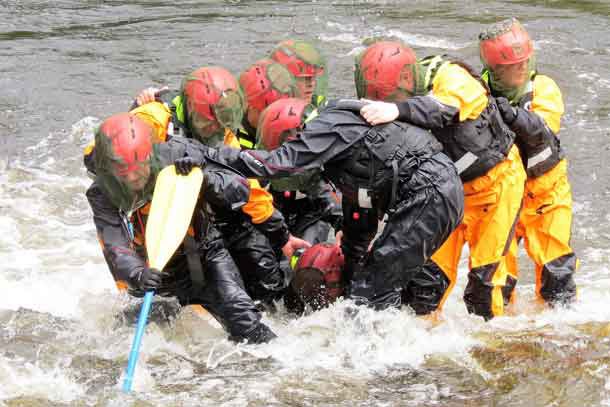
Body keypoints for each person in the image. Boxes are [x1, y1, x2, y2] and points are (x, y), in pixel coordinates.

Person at [174, 99, 465, 311]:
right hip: (436, 194)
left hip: (428, 194)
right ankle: (421, 336)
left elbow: (274, 165)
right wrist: (348, 267)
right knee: (388, 284)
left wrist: (206, 157)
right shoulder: (348, 153)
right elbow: (359, 217)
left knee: (370, 295)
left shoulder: (327, 127)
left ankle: (378, 371)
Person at [355, 41, 526, 319]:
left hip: (496, 186)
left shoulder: (451, 77)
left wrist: (400, 110)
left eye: (393, 97)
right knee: (425, 284)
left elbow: (445, 107)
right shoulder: (391, 107)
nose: (389, 104)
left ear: (408, 78)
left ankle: (498, 346)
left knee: (484, 283)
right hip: (448, 193)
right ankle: (427, 350)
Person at [86, 112, 276, 343]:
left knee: (246, 324)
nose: (135, 178)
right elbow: (115, 245)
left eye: (140, 167)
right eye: (125, 172)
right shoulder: (101, 192)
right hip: (152, 271)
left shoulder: (178, 152)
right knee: (132, 341)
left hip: (206, 256)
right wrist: (138, 274)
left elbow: (240, 189)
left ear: (150, 154)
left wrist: (204, 178)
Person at [131, 66, 310, 303]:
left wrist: (282, 236)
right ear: (193, 110)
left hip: (205, 224)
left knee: (261, 280)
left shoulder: (222, 134)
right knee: (163, 301)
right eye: (209, 122)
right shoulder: (154, 118)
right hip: (159, 225)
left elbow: (249, 188)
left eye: (221, 121)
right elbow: (112, 155)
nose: (215, 127)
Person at [479, 18, 577, 305]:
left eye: (524, 61)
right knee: (498, 279)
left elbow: (542, 130)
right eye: (513, 65)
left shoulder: (543, 88)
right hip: (500, 195)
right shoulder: (477, 91)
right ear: (496, 70)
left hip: (545, 190)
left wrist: (508, 113)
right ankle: (501, 333)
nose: (522, 68)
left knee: (556, 272)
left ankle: (559, 328)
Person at [255, 98, 343, 245]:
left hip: (312, 215)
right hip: (278, 213)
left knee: (304, 255)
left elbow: (331, 197)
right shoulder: (267, 163)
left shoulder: (317, 167)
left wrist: (343, 226)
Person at [236, 58, 300, 149]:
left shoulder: (295, 128)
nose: (275, 121)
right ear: (249, 107)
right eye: (266, 113)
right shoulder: (232, 143)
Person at [270, 39, 328, 108]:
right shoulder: (268, 111)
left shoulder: (322, 107)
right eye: (303, 79)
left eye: (313, 77)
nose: (311, 84)